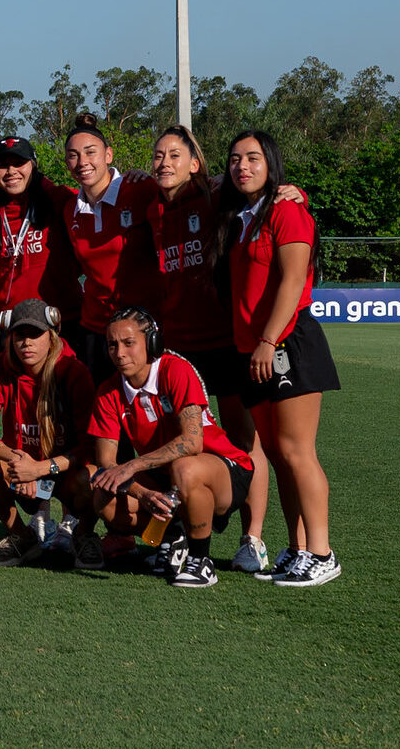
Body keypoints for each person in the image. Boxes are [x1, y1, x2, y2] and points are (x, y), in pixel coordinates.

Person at [145, 124, 272, 574]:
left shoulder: (216, 194)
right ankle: (177, 534)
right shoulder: (152, 208)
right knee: (180, 441)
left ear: (195, 164)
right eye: (158, 155)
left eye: (175, 156)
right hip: (179, 348)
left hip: (225, 340)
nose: (164, 163)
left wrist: (292, 191)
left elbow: (263, 195)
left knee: (244, 438)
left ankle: (252, 539)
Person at [219, 129, 342, 586]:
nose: (242, 166)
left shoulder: (286, 211)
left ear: (272, 163)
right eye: (234, 159)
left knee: (296, 450)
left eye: (253, 158)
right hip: (253, 350)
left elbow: (292, 281)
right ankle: (297, 548)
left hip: (286, 343)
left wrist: (269, 341)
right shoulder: (242, 215)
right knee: (274, 450)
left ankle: (323, 552)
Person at [86, 308, 256, 588]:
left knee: (185, 467)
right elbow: (107, 464)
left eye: (129, 343)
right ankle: (173, 537)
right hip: (164, 476)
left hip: (221, 468)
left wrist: (135, 465)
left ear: (151, 343)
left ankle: (201, 560)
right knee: (102, 489)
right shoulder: (108, 390)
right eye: (112, 345)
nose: (119, 353)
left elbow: (192, 441)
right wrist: (144, 494)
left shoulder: (175, 370)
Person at [0, 299, 97, 569]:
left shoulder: (74, 371)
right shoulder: (0, 368)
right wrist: (15, 460)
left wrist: (39, 468)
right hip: (21, 471)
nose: (26, 342)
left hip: (63, 471)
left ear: (52, 335)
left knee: (94, 474)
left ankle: (82, 534)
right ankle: (21, 535)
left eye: (35, 334)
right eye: (19, 335)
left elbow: (90, 444)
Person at [59, 113, 161, 382]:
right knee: (102, 413)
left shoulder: (140, 189)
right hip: (97, 329)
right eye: (73, 155)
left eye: (90, 152)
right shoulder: (70, 209)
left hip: (144, 327)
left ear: (108, 155)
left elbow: (188, 192)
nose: (82, 162)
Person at [0, 135, 82, 321]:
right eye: (2, 165)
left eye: (19, 163)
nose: (11, 171)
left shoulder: (59, 201)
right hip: (11, 323)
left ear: (33, 165)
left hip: (61, 322)